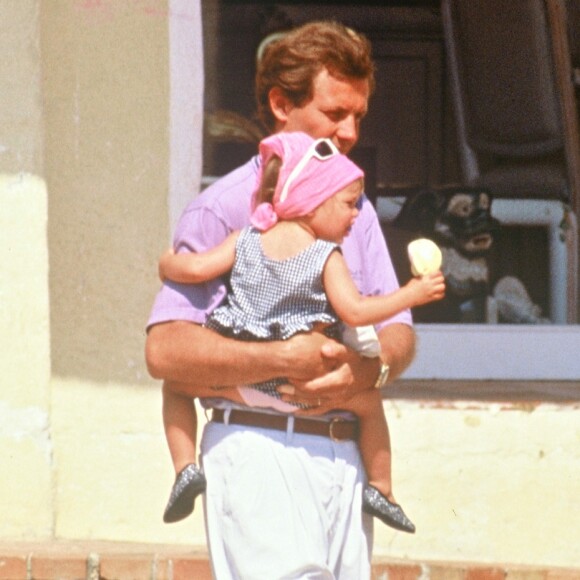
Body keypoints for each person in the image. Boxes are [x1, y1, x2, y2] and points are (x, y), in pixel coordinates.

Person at [147, 20, 420, 579]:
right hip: (257, 448)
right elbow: (166, 353)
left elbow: (399, 330)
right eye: (334, 113)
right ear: (280, 104)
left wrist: (366, 372)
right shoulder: (221, 209)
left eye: (359, 116)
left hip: (343, 454)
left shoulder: (354, 209)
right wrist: (279, 359)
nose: (349, 131)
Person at [158, 131, 445, 534]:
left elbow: (194, 269)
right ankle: (383, 489)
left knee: (176, 387)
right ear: (313, 201)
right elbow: (357, 310)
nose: (356, 215)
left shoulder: (244, 240)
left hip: (247, 388)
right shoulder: (326, 256)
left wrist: (165, 265)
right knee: (368, 401)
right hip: (304, 389)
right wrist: (411, 294)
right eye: (348, 204)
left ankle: (185, 469)